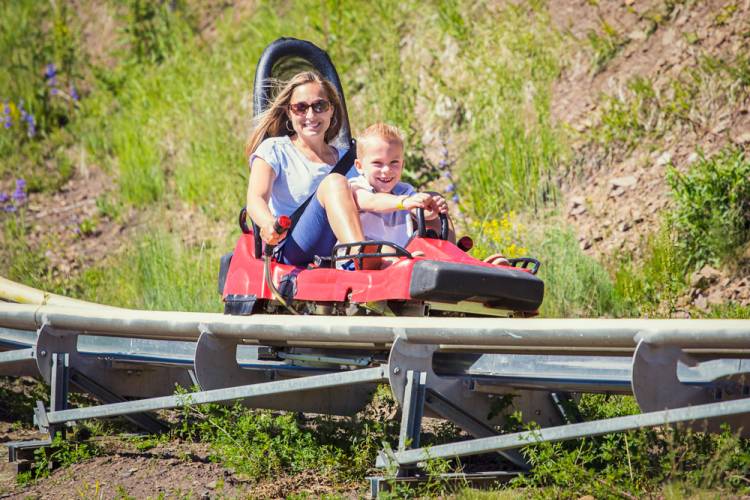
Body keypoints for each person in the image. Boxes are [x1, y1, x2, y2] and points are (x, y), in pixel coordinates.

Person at [245, 71, 377, 268]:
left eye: (320, 106)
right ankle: (361, 257)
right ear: (289, 112)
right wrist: (268, 224)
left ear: (331, 110)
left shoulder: (351, 158)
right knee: (335, 183)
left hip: (347, 242)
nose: (311, 115)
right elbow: (256, 198)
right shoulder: (274, 149)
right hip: (294, 247)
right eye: (300, 108)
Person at [349, 123, 449, 248]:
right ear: (359, 166)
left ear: (402, 165)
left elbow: (416, 210)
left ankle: (451, 256)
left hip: (399, 256)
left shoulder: (404, 190)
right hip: (363, 258)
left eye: (394, 162)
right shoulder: (356, 186)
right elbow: (371, 201)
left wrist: (431, 210)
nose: (386, 170)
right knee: (387, 251)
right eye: (377, 163)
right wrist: (404, 202)